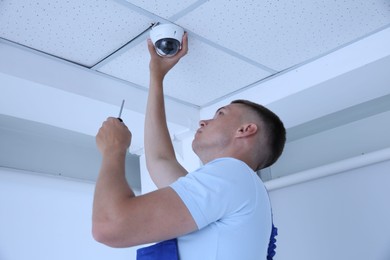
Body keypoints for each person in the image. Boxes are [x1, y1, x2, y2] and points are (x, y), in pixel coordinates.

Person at [92, 33, 286, 260]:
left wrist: (113, 150)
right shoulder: (238, 186)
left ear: (245, 130)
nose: (204, 121)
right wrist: (157, 76)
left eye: (220, 114)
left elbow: (110, 225)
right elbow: (159, 160)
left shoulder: (233, 175)